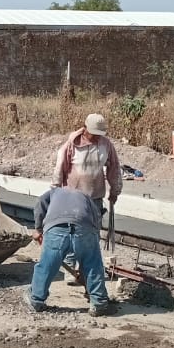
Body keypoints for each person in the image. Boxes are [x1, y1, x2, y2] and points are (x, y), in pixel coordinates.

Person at [53, 112, 121, 282]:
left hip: (94, 198)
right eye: (94, 134)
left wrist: (115, 190)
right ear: (85, 130)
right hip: (72, 197)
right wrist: (55, 191)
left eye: (100, 134)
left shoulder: (106, 145)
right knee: (72, 231)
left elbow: (114, 168)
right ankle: (70, 265)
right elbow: (60, 167)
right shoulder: (72, 145)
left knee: (91, 234)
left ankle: (87, 269)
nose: (97, 137)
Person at [25, 186, 115, 316]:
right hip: (84, 228)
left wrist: (38, 229)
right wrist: (92, 238)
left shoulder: (53, 192)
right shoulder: (86, 196)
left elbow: (40, 204)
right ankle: (99, 302)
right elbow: (96, 217)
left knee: (47, 264)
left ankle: (36, 299)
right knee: (93, 264)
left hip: (56, 229)